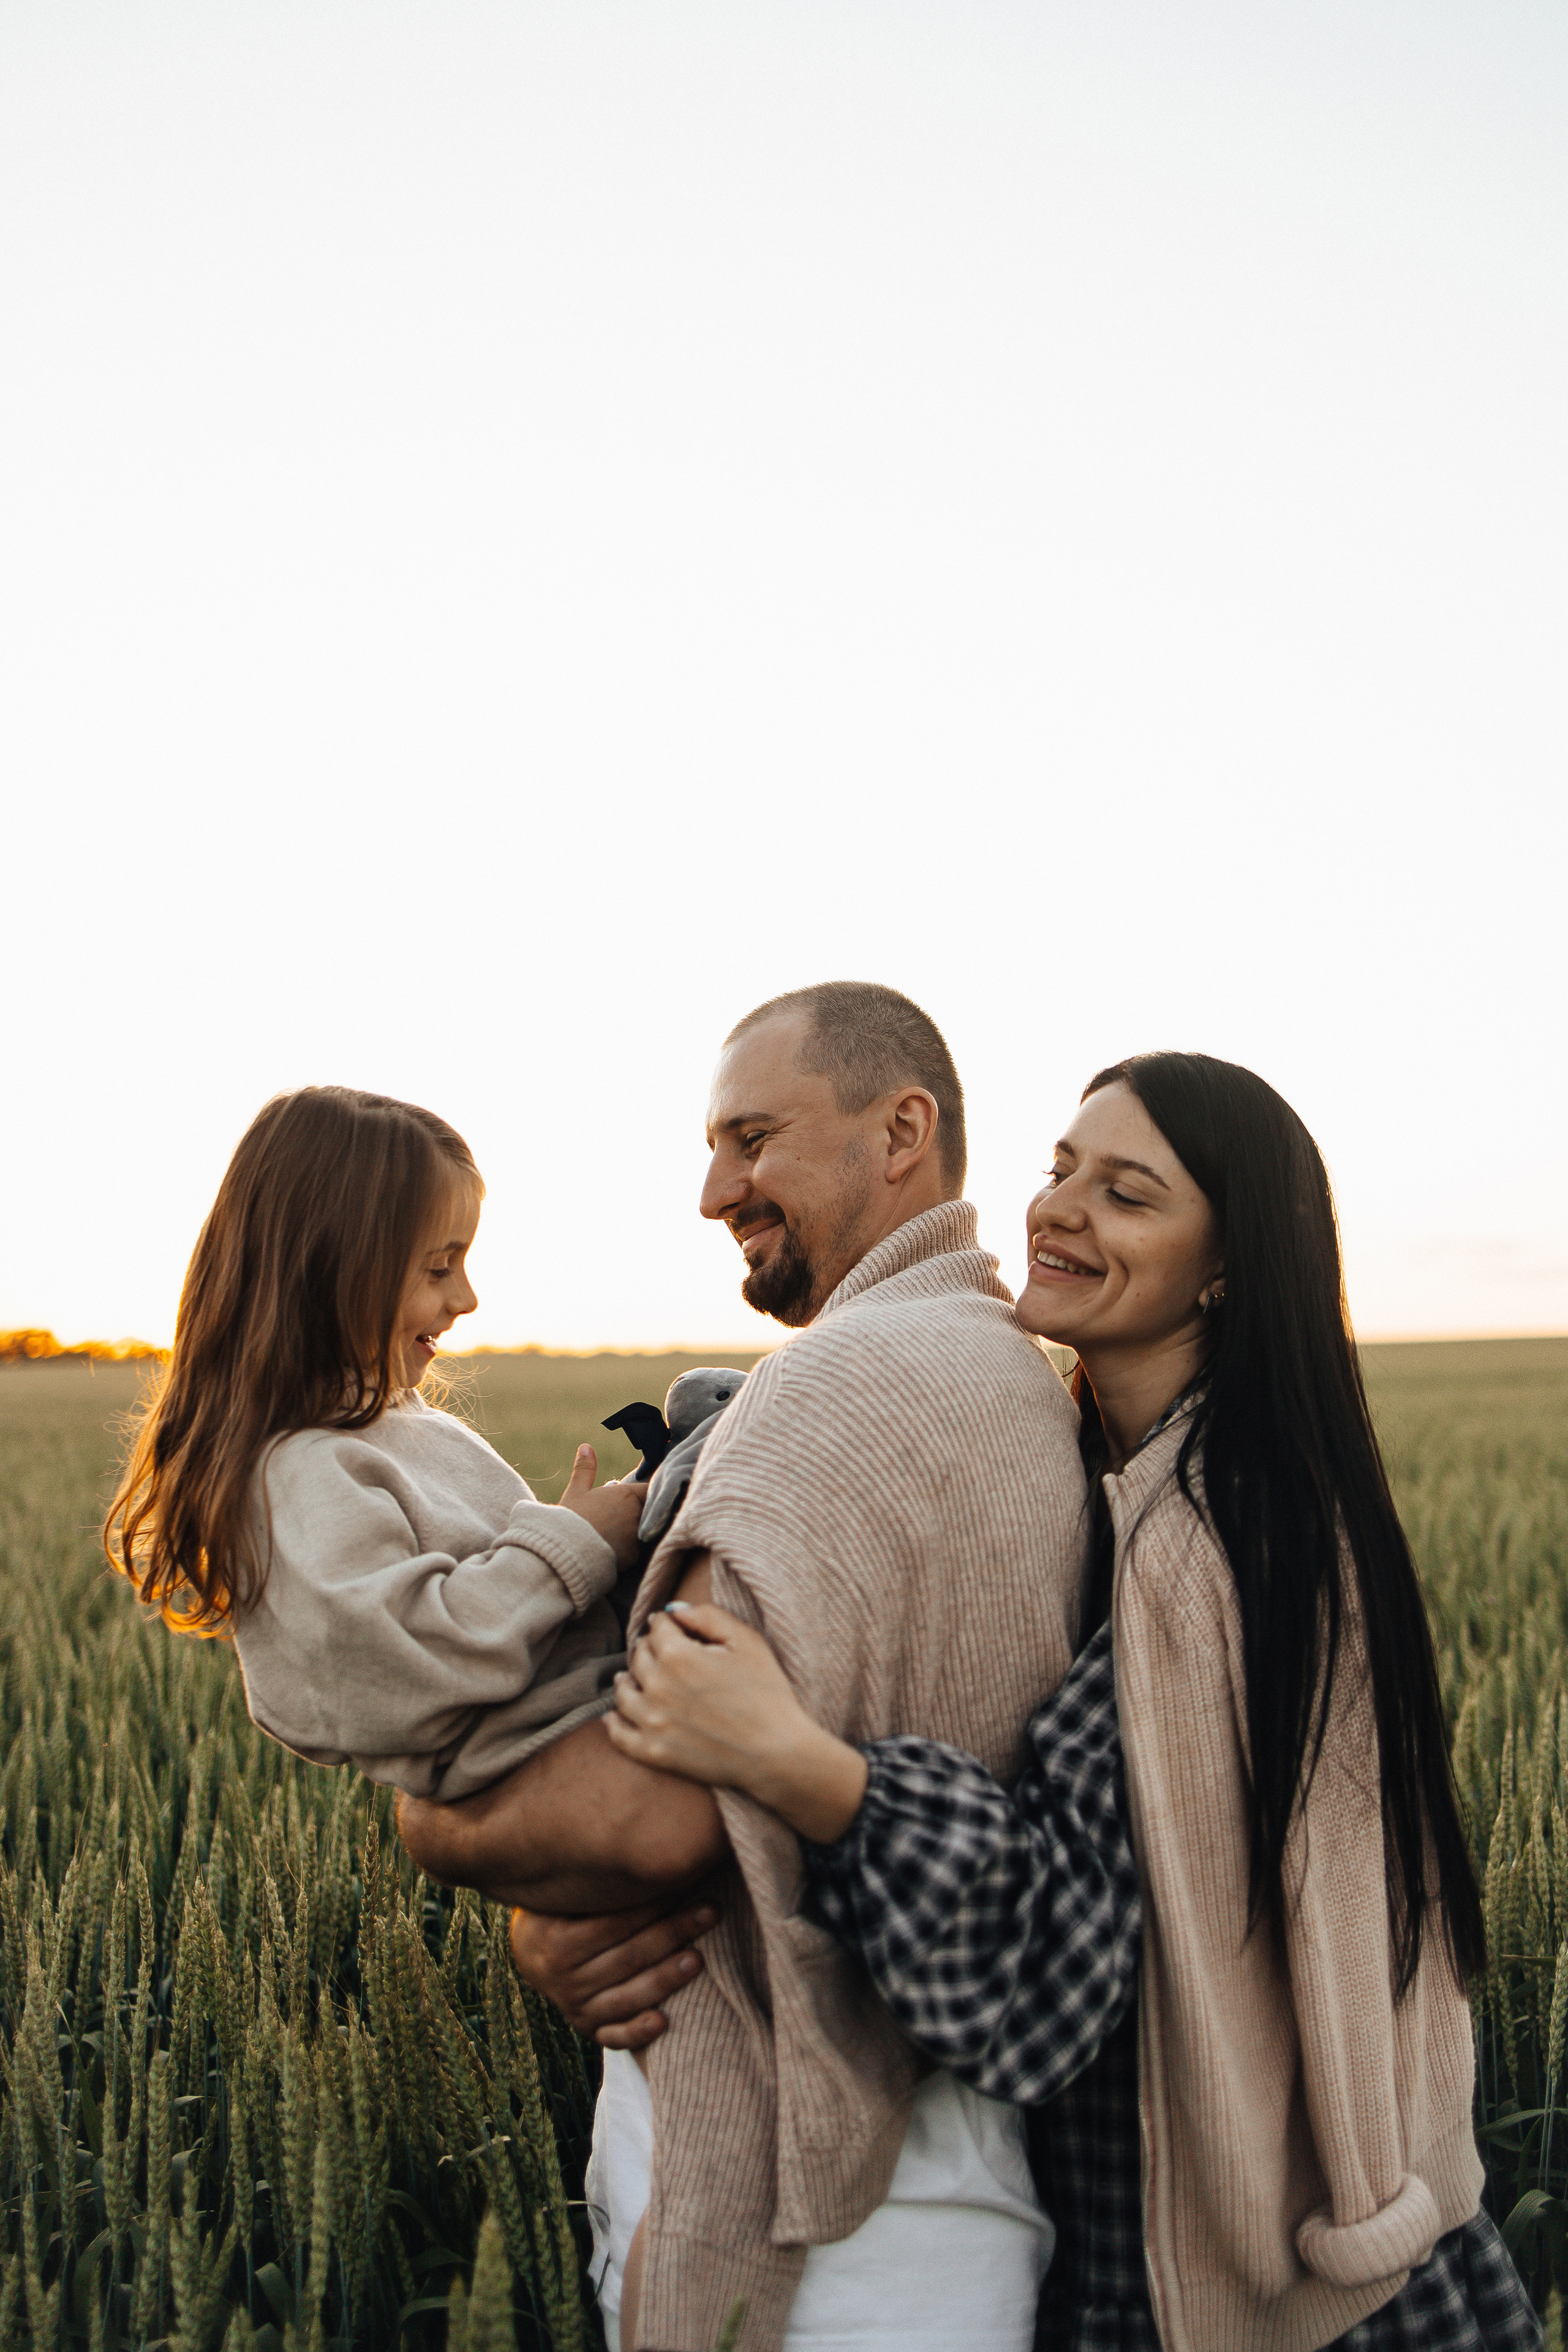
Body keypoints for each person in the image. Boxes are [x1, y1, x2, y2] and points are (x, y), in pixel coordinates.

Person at [606, 1052, 1541, 2352]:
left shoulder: (1220, 1549)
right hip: (1202, 2261)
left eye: (1127, 1194)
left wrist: (799, 1764)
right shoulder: (1094, 1473)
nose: (1058, 1210)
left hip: (1265, 2306)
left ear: (1225, 1268)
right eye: (1060, 1169)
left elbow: (1051, 1988)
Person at [399, 981, 1089, 2352]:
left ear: (901, 1131)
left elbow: (650, 1816)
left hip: (800, 2254)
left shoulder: (839, 1384)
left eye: (753, 1138)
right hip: (953, 2210)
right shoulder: (1014, 1372)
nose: (715, 1191)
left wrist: (432, 1820)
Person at [104, 1085, 647, 1801]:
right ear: (329, 1271)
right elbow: (397, 1672)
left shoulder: (396, 1425)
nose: (467, 1298)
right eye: (438, 1267)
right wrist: (574, 1544)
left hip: (590, 1720)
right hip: (557, 1763)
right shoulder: (303, 1470)